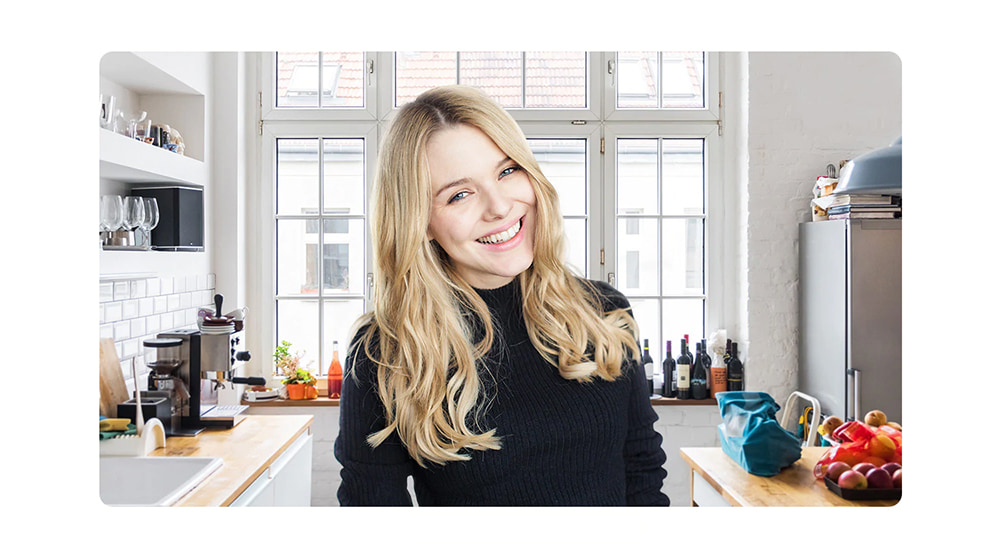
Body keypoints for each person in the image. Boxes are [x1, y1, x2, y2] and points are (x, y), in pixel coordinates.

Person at [334, 85, 669, 506]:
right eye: (459, 194)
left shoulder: (603, 312)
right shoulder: (386, 352)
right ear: (418, 221)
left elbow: (642, 472)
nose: (499, 206)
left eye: (507, 171)